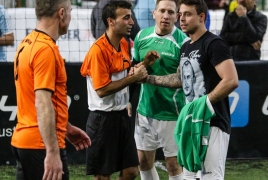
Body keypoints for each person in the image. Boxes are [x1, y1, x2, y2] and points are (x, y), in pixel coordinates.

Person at [136, 0, 239, 179]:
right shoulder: (186, 45)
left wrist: (202, 103)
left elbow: (231, 80)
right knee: (189, 177)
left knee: (210, 177)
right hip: (192, 122)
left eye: (187, 14)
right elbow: (180, 79)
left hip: (212, 123)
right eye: (181, 15)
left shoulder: (214, 43)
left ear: (201, 17)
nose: (181, 19)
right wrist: (149, 78)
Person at [11, 0, 91, 179]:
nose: (70, 17)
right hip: (40, 145)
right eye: (70, 12)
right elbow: (42, 102)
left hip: (24, 141)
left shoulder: (27, 43)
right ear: (61, 13)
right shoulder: (45, 49)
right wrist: (53, 152)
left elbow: (36, 100)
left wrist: (66, 127)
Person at [80, 1, 151, 179]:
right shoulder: (98, 51)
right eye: (126, 17)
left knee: (131, 171)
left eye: (131, 16)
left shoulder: (124, 44)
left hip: (121, 116)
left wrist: (146, 63)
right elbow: (102, 90)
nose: (132, 22)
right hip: (102, 120)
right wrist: (133, 78)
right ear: (111, 22)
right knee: (103, 176)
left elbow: (125, 75)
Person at [132, 0, 190, 180]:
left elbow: (182, 80)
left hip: (172, 113)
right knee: (143, 161)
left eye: (171, 12)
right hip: (145, 111)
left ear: (177, 16)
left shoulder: (184, 43)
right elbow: (135, 69)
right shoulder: (141, 36)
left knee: (173, 165)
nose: (166, 16)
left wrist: (147, 77)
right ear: (154, 13)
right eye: (162, 11)